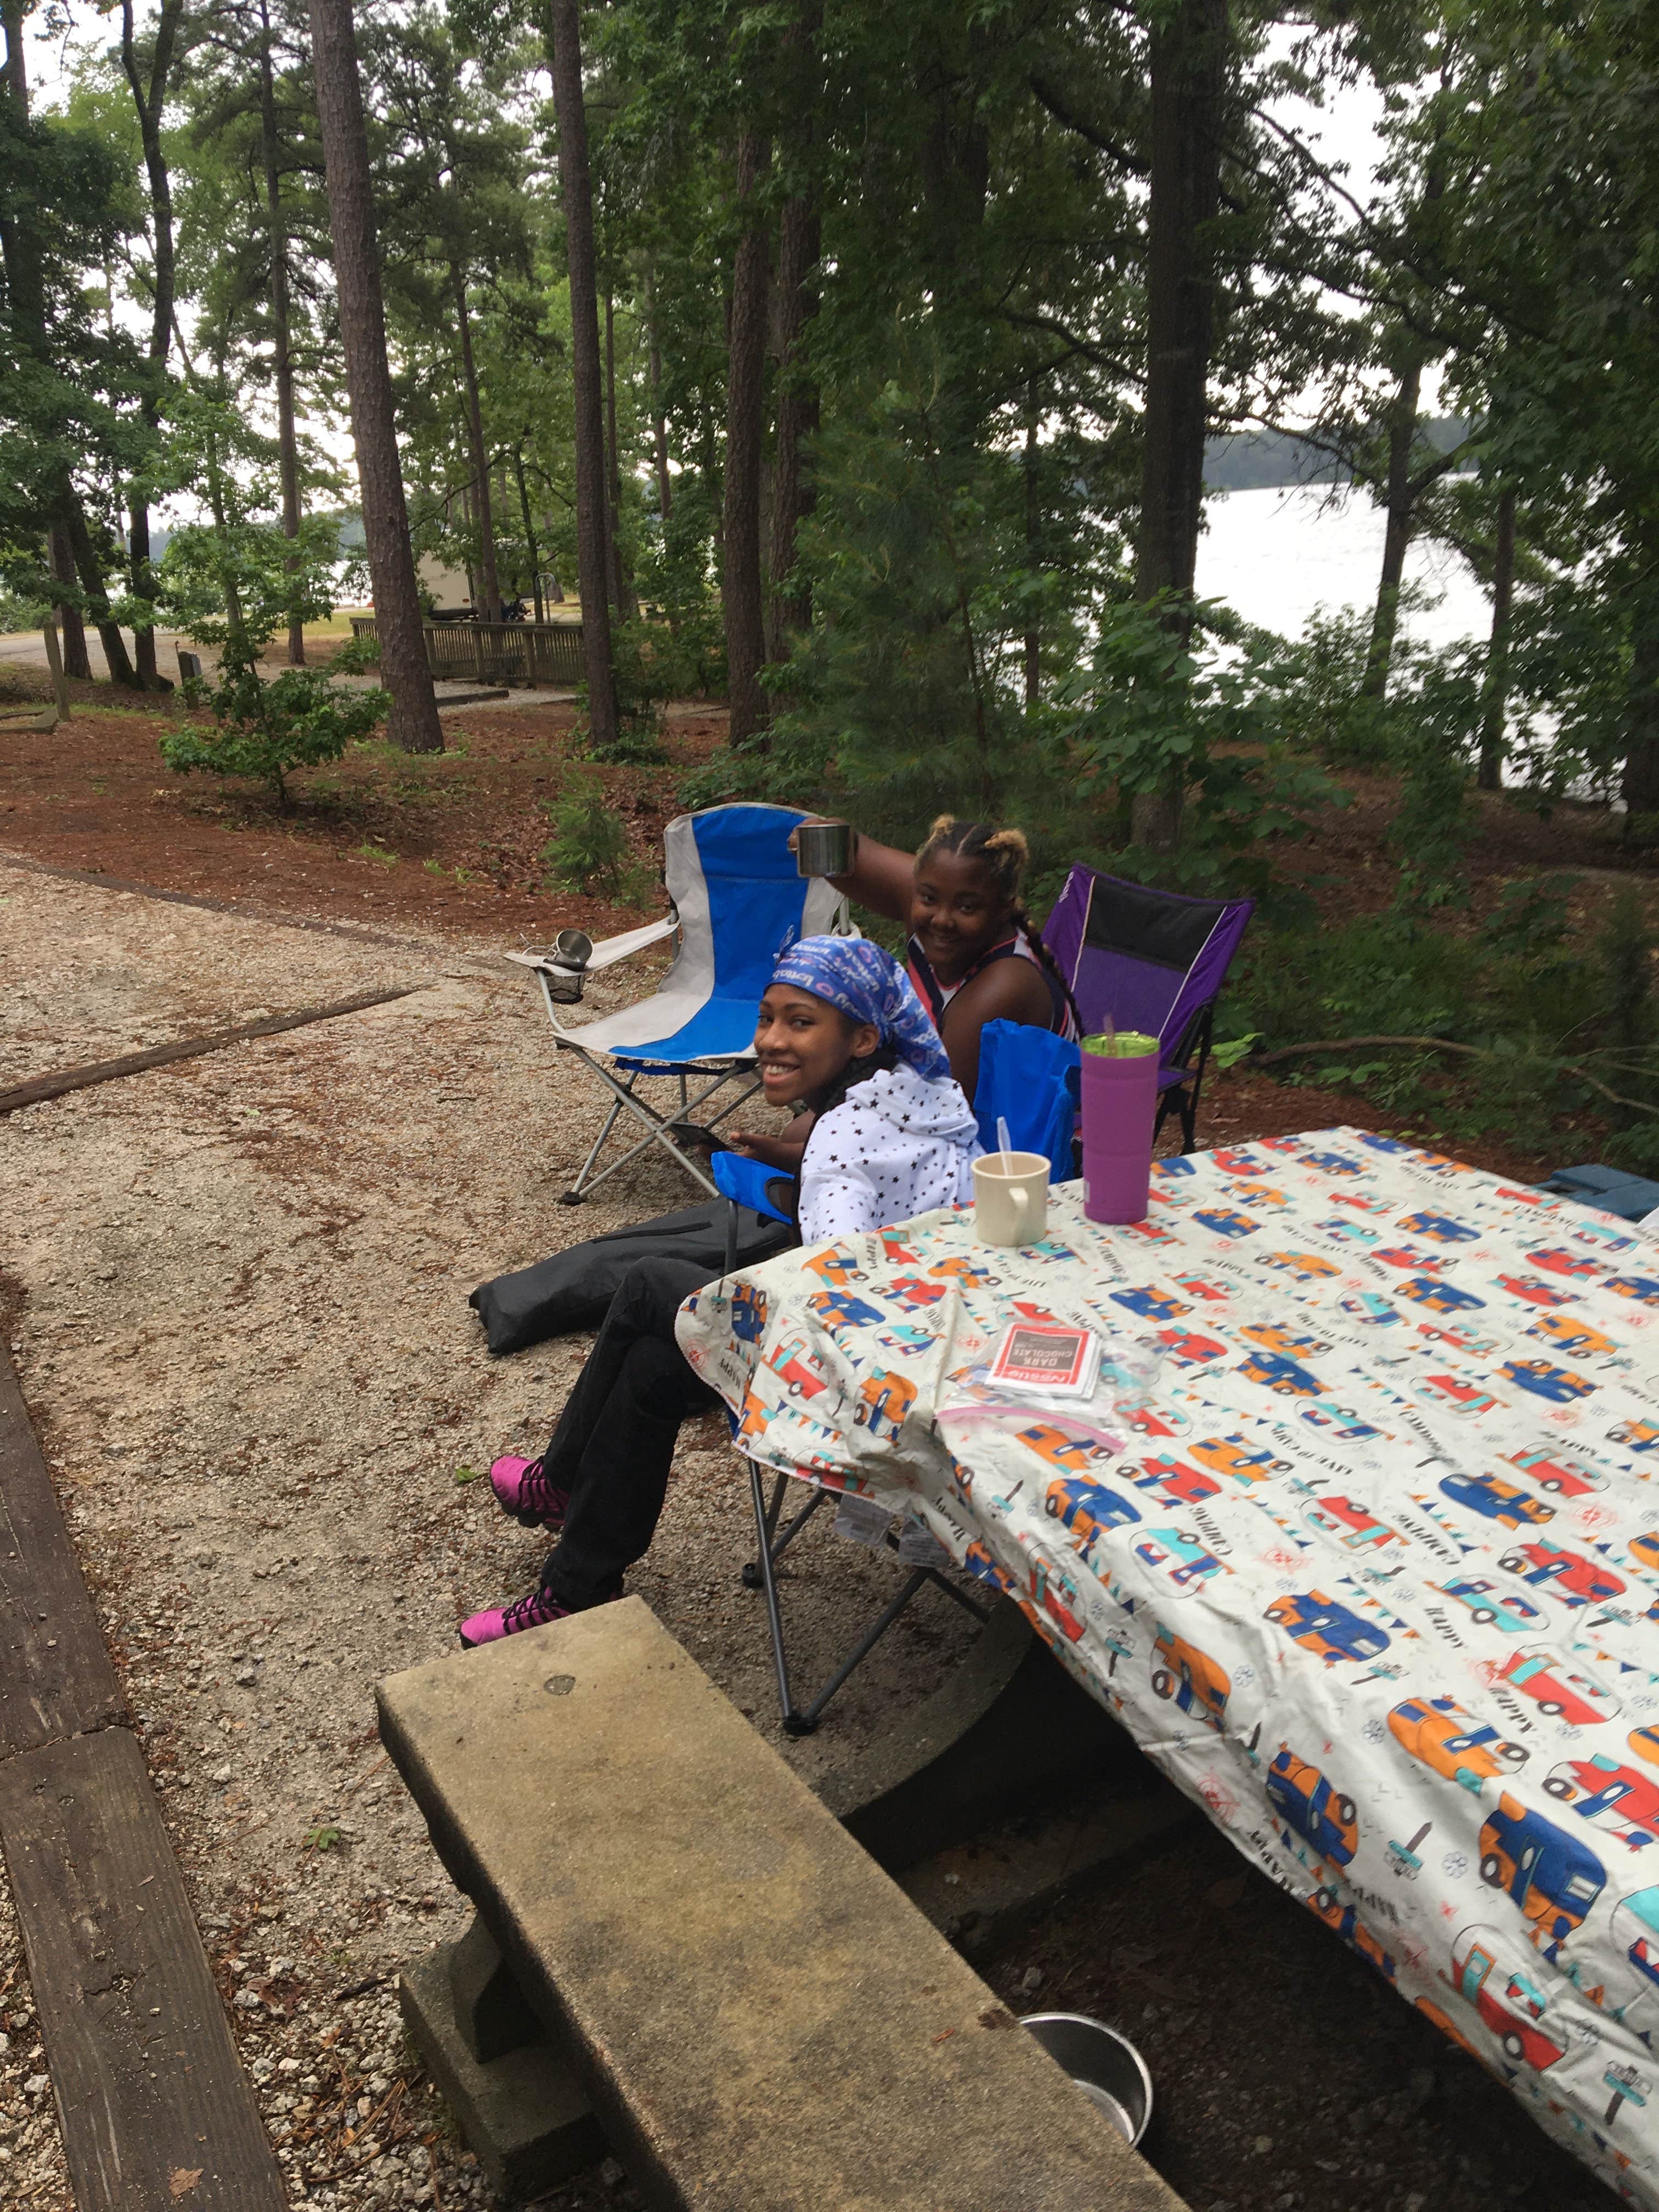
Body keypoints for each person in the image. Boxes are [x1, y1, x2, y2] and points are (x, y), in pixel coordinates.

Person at [459, 936, 981, 1647]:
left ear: (862, 1038)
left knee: (647, 1284)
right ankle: (577, 1582)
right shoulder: (913, 1091)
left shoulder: (846, 1137)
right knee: (649, 1369)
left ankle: (562, 1482)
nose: (769, 1039)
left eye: (800, 1022)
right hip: (933, 1341)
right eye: (767, 1018)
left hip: (859, 1384)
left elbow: (829, 1301)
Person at [729, 814, 1078, 1174]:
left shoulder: (1004, 986)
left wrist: (795, 1158)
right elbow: (848, 846)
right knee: (805, 1130)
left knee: (813, 1138)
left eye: (967, 907)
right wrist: (815, 837)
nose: (942, 918)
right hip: (951, 1105)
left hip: (1014, 1149)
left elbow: (933, 1116)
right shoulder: (936, 895)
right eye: (929, 897)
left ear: (1003, 908)